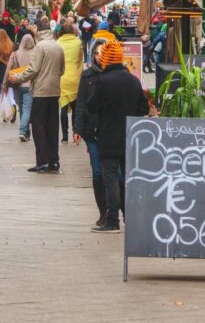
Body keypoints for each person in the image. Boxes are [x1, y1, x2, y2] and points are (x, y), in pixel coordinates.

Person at [88, 39, 150, 233]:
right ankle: (130, 219)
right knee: (127, 178)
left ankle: (112, 220)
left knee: (110, 179)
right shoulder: (132, 80)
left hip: (107, 137)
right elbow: (143, 108)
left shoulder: (103, 82)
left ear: (105, 59)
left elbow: (91, 106)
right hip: (129, 136)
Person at [9, 17, 64, 173]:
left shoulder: (40, 47)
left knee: (38, 126)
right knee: (53, 126)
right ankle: (54, 160)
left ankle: (42, 161)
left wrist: (17, 77)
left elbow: (33, 69)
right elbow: (62, 70)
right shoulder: (58, 46)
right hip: (54, 91)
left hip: (40, 92)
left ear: (38, 32)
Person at [73, 37, 112, 228]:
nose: (99, 57)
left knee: (115, 174)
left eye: (102, 52)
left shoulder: (115, 75)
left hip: (112, 131)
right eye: (96, 53)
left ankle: (117, 211)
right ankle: (103, 212)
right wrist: (77, 129)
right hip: (93, 131)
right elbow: (81, 103)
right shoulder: (87, 76)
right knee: (97, 172)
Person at [3, 33, 35, 142]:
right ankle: (22, 131)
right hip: (29, 85)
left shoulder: (15, 54)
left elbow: (8, 70)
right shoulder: (35, 54)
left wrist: (4, 85)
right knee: (27, 109)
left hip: (16, 85)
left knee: (22, 109)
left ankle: (26, 133)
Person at [57, 19, 83, 144]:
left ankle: (64, 136)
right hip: (75, 79)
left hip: (62, 78)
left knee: (63, 108)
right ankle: (75, 133)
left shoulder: (57, 43)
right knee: (75, 108)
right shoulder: (78, 43)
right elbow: (81, 61)